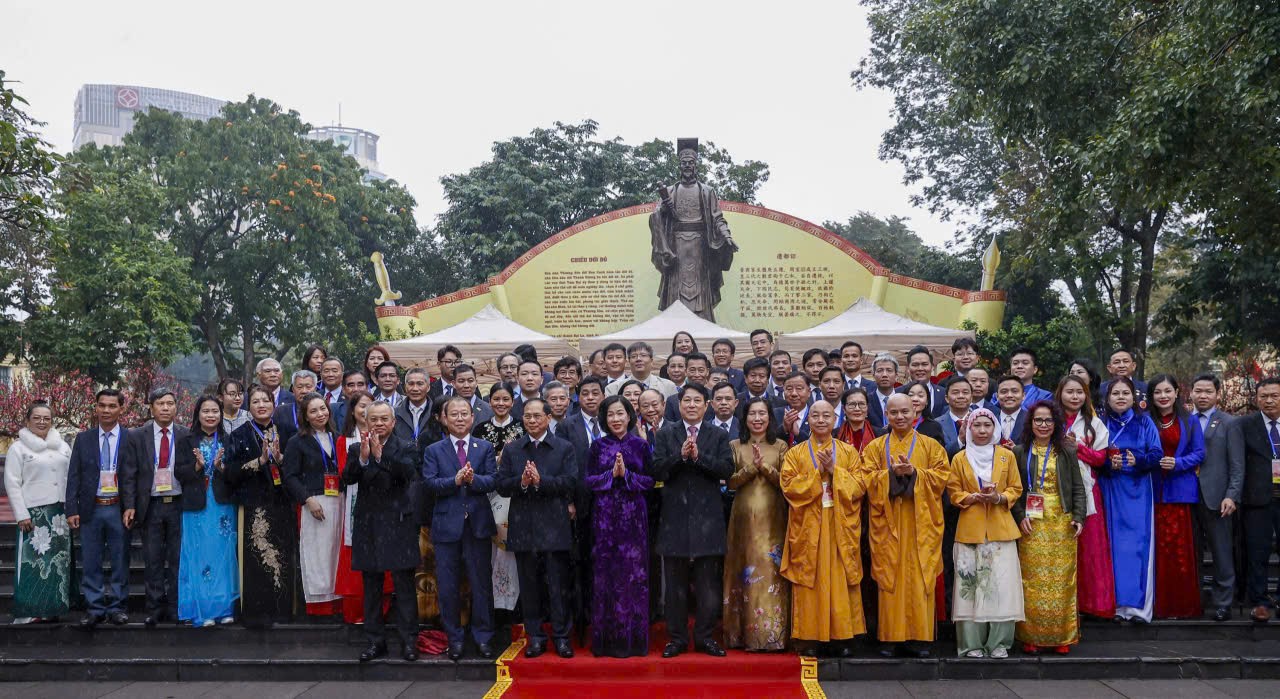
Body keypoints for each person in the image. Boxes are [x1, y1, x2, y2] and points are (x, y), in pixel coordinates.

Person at [862, 394, 949, 658]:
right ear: (886, 415)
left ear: (916, 412)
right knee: (890, 578)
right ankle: (890, 638)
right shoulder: (875, 448)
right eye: (894, 413)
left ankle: (919, 639)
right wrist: (891, 475)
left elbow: (942, 476)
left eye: (904, 412)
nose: (899, 417)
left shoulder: (931, 446)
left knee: (920, 578)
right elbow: (866, 479)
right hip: (888, 523)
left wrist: (914, 473)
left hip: (921, 522)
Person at [653, 384, 735, 658]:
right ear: (679, 403)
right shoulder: (666, 434)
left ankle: (704, 637)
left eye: (696, 400)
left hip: (708, 518)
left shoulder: (717, 434)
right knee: (675, 587)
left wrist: (699, 458)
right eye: (686, 400)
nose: (691, 405)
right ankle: (676, 639)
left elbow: (726, 470)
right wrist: (680, 456)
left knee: (708, 586)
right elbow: (658, 470)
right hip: (674, 517)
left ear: (707, 404)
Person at [780, 400, 864, 656]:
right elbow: (788, 486)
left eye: (826, 415)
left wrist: (834, 471)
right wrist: (819, 475)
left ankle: (842, 637)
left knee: (839, 578)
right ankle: (809, 637)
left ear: (835, 420)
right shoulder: (795, 453)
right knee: (810, 580)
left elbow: (860, 486)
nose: (820, 420)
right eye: (815, 415)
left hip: (838, 524)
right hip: (809, 525)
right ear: (808, 420)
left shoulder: (848, 452)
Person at [496, 398, 578, 659]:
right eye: (527, 417)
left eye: (537, 416)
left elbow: (570, 482)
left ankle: (562, 637)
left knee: (557, 586)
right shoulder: (512, 450)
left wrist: (542, 482)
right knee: (529, 587)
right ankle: (536, 638)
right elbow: (501, 485)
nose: (532, 421)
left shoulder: (563, 447)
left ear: (548, 417)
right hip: (524, 526)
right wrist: (521, 482)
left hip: (554, 525)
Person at [343, 401, 422, 662]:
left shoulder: (407, 446)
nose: (378, 424)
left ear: (393, 422)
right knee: (372, 587)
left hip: (399, 523)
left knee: (404, 586)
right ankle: (376, 641)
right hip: (369, 525)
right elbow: (347, 479)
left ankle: (410, 641)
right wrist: (364, 459)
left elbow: (408, 474)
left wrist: (381, 457)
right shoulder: (357, 448)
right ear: (366, 421)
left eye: (383, 419)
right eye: (373, 419)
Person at [423, 396, 500, 660]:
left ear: (472, 417)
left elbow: (492, 480)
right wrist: (454, 481)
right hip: (446, 527)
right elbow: (430, 484)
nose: (459, 418)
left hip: (477, 525)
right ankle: (454, 638)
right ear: (444, 418)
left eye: (464, 414)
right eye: (453, 414)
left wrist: (473, 479)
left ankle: (483, 637)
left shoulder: (484, 447)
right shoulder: (434, 450)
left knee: (481, 585)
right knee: (447, 586)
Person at [947, 409, 1023, 659]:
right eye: (976, 425)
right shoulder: (959, 458)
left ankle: (999, 643)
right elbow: (953, 491)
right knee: (969, 588)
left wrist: (999, 497)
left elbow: (1016, 487)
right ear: (968, 429)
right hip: (969, 528)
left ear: (995, 429)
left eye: (986, 426)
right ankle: (971, 644)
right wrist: (971, 497)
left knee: (1001, 587)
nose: (981, 430)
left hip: (1001, 528)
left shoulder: (1006, 456)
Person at [1012, 401, 1087, 654]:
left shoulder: (1066, 451)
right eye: (1038, 420)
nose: (1043, 425)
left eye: (1048, 421)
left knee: (1062, 580)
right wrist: (1020, 515)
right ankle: (1030, 636)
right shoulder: (1020, 452)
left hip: (1062, 522)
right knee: (1031, 580)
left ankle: (1061, 637)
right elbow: (1015, 490)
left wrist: (1079, 516)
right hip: (1031, 522)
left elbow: (1078, 486)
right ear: (1030, 423)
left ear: (1056, 424)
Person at [583, 395, 654, 657]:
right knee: (606, 575)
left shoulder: (640, 446)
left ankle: (633, 641)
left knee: (634, 576)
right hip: (604, 517)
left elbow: (650, 481)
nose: (616, 419)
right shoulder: (597, 447)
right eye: (611, 414)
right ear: (604, 418)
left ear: (629, 416)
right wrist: (609, 476)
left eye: (620, 414)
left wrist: (628, 476)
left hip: (635, 517)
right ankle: (606, 641)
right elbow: (588, 481)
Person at [223, 386, 297, 628]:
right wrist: (260, 461)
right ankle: (257, 613)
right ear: (248, 406)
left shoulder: (287, 432)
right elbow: (231, 473)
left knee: (284, 556)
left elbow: (299, 467)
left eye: (266, 400)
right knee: (256, 558)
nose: (261, 405)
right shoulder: (239, 435)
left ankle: (283, 610)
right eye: (255, 401)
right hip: (255, 504)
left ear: (274, 404)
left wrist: (281, 459)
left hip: (282, 501)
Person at [721, 397, 790, 651]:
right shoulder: (734, 445)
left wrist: (767, 469)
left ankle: (771, 636)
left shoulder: (781, 446)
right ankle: (739, 635)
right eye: (752, 414)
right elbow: (729, 482)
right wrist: (752, 468)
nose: (757, 419)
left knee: (770, 570)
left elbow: (787, 483)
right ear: (745, 418)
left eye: (762, 414)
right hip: (741, 519)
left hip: (773, 519)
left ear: (770, 417)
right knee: (743, 571)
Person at [122, 388, 191, 627]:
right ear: (151, 407)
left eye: (170, 403)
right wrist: (129, 505)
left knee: (177, 558)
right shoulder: (136, 435)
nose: (165, 408)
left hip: (178, 503)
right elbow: (129, 473)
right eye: (160, 403)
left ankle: (175, 606)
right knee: (152, 559)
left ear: (176, 407)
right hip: (149, 505)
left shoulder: (185, 434)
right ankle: (153, 608)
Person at [1098, 376, 1163, 623]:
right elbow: (1092, 455)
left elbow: (1157, 453)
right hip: (1110, 487)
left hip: (1138, 489)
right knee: (1112, 546)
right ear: (1108, 397)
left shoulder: (1144, 422)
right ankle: (1113, 606)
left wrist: (1140, 460)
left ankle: (1139, 610)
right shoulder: (1100, 422)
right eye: (1116, 393)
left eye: (1126, 393)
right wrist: (1106, 462)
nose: (1121, 397)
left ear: (1134, 396)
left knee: (1138, 545)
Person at [66, 389, 130, 628]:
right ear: (96, 407)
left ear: (120, 409)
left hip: (118, 507)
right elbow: (74, 475)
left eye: (112, 406)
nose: (106, 410)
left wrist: (131, 506)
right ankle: (94, 607)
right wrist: (72, 509)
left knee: (119, 560)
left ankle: (116, 607)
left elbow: (134, 475)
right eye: (102, 405)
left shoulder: (129, 437)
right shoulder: (84, 439)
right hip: (90, 509)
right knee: (90, 560)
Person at [173, 396, 238, 627]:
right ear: (197, 414)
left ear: (221, 414)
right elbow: (179, 473)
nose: (210, 415)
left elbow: (235, 476)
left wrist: (222, 467)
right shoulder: (185, 441)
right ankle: (202, 609)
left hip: (222, 507)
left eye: (215, 411)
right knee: (198, 555)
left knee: (224, 555)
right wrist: (197, 467)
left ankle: (224, 607)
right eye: (206, 411)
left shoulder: (230, 440)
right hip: (196, 506)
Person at [6, 401, 73, 623]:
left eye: (47, 418)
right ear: (28, 420)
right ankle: (30, 610)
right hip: (33, 515)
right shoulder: (18, 448)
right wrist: (21, 513)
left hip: (60, 513)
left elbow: (72, 478)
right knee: (34, 562)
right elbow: (12, 483)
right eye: (37, 418)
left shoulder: (63, 446)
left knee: (57, 563)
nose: (42, 422)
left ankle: (54, 608)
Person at [1146, 374, 1206, 620]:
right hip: (1150, 491)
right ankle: (1157, 606)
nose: (1163, 396)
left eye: (1167, 391)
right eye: (1158, 392)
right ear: (1151, 396)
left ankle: (1182, 606)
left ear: (1176, 393)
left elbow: (1200, 453)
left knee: (1179, 551)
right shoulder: (1145, 420)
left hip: (1180, 492)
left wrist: (1179, 462)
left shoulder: (1189, 422)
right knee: (1155, 551)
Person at [1055, 375, 1115, 620]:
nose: (1075, 397)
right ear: (1060, 394)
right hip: (1056, 488)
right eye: (1070, 392)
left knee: (1090, 548)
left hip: (1088, 489)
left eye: (1080, 392)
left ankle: (1091, 604)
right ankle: (1062, 603)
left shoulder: (1094, 423)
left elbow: (1101, 459)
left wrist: (1078, 447)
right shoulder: (1052, 420)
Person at [283, 393, 344, 616]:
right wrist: (308, 500)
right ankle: (320, 606)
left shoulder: (338, 437)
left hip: (339, 500)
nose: (320, 414)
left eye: (323, 409)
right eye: (314, 411)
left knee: (335, 554)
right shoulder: (297, 442)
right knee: (317, 554)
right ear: (306, 417)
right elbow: (289, 476)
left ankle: (339, 601)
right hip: (315, 502)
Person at [1188, 373, 1243, 621]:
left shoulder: (1229, 423)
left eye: (1208, 391)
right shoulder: (1184, 421)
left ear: (1217, 394)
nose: (1202, 395)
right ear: (1190, 393)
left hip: (1218, 497)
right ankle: (1195, 599)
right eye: (1198, 391)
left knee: (1221, 552)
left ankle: (1223, 602)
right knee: (1191, 552)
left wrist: (1232, 495)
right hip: (1187, 496)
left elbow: (1237, 465)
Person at [555, 376, 607, 637]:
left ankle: (606, 615)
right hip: (581, 503)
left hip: (611, 503)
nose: (589, 397)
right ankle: (582, 618)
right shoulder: (567, 425)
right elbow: (563, 465)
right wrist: (569, 501)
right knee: (582, 562)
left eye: (594, 392)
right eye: (584, 393)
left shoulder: (614, 420)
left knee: (606, 562)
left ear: (603, 395)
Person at [472, 382, 526, 615]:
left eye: (506, 399)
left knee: (513, 549)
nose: (501, 404)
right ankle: (494, 605)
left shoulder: (524, 426)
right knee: (491, 550)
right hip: (487, 493)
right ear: (489, 401)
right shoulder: (480, 429)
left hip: (516, 493)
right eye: (496, 399)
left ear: (513, 402)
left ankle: (515, 604)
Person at [1238, 377, 1280, 622]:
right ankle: (1260, 602)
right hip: (1257, 497)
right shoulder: (1245, 425)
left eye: (1274, 395)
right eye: (1264, 396)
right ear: (1256, 399)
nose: (1269, 400)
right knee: (1258, 551)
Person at [336, 392, 380, 624]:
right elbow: (346, 473)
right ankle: (357, 610)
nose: (365, 411)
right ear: (352, 411)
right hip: (354, 500)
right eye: (361, 406)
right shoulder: (345, 440)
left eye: (370, 406)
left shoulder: (385, 435)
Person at [608, 342, 677, 399]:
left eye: (643, 355)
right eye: (634, 356)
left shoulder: (668, 386)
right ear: (629, 362)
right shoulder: (613, 388)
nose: (638, 359)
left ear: (652, 361)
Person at [898, 346, 946, 418]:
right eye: (915, 365)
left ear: (932, 367)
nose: (920, 369)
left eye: (924, 364)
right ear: (908, 368)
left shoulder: (943, 393)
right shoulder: (897, 393)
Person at [273, 370, 318, 446]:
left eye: (308, 387)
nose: (304, 391)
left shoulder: (322, 411)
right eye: (299, 387)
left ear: (315, 389)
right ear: (293, 390)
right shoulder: (281, 411)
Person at [394, 367, 434, 452]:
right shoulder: (395, 413)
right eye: (411, 384)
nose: (415, 388)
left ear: (428, 387)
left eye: (420, 384)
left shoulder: (436, 413)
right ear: (405, 387)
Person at [902, 380, 947, 448]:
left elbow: (938, 454)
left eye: (920, 396)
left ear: (927, 401)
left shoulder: (934, 427)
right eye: (911, 395)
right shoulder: (896, 424)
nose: (915, 399)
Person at [837, 388, 883, 452]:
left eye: (862, 404)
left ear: (867, 408)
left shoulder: (880, 435)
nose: (857, 409)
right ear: (844, 409)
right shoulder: (835, 435)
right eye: (852, 404)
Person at [938, 376, 974, 457]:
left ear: (971, 398)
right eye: (955, 392)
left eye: (965, 392)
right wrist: (960, 440)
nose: (961, 396)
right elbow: (938, 455)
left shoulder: (982, 420)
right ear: (947, 398)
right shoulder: (937, 424)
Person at [777, 371, 815, 446]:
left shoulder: (816, 415)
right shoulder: (774, 413)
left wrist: (798, 433)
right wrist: (784, 429)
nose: (794, 393)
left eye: (799, 388)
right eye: (789, 389)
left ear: (809, 392)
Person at [866, 353, 900, 430]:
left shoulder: (904, 400)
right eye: (880, 370)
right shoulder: (866, 401)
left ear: (896, 376)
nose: (884, 374)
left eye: (889, 370)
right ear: (873, 375)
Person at [994, 376, 1028, 446]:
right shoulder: (990, 418)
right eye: (1004, 392)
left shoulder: (1031, 419)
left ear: (1023, 395)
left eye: (1015, 391)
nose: (1009, 395)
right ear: (997, 396)